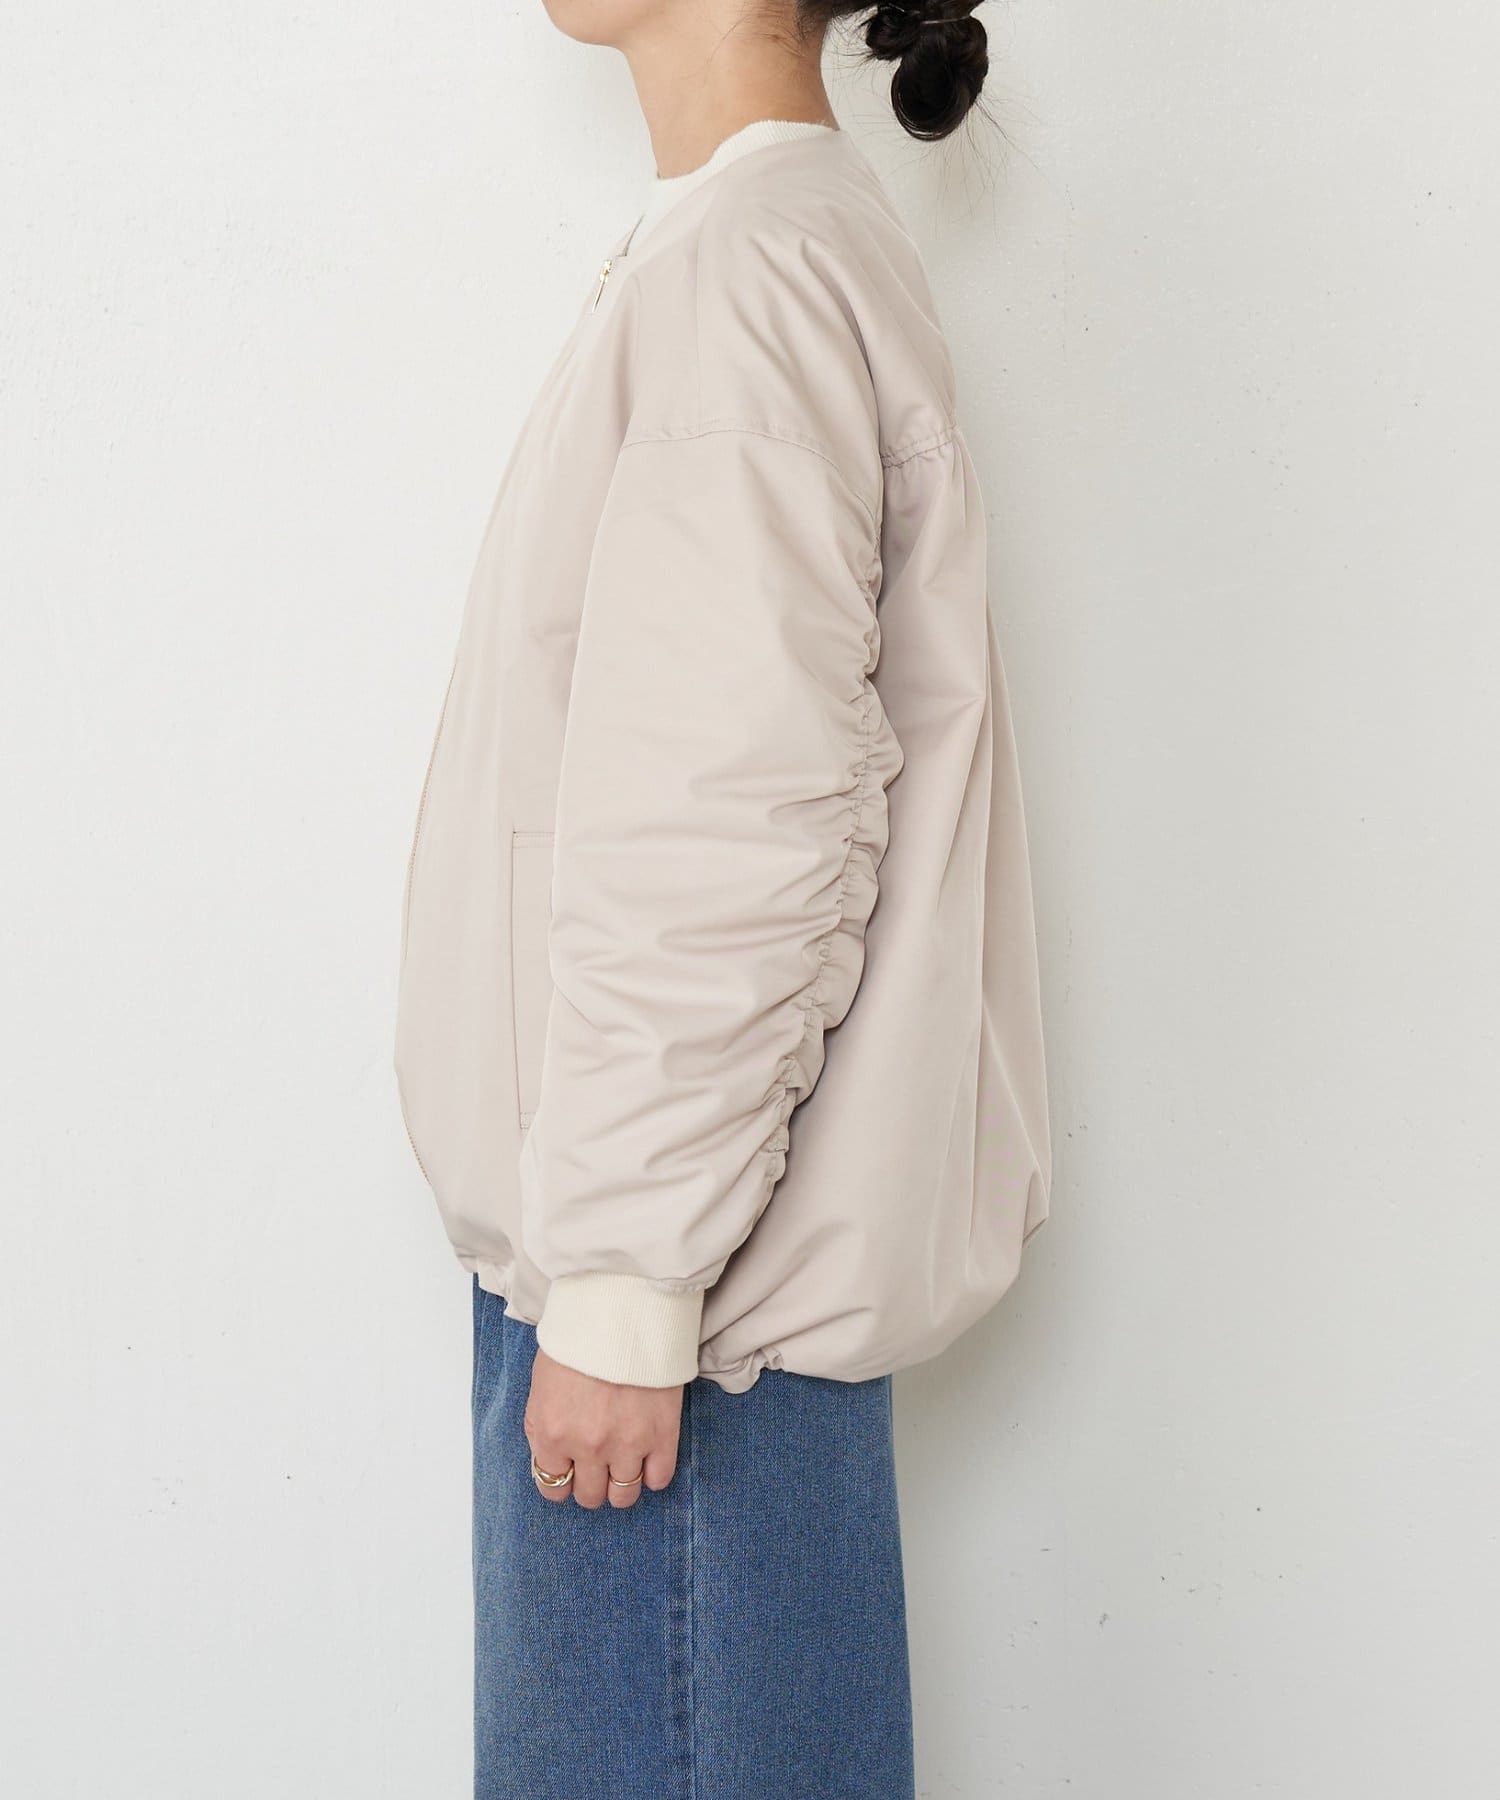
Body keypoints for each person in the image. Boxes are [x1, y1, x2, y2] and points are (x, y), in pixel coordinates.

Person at [392, 0, 1051, 1790]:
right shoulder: (755, 243)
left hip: (681, 1332)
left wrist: (621, 1285)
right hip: (679, 1284)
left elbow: (720, 816)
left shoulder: (747, 272)